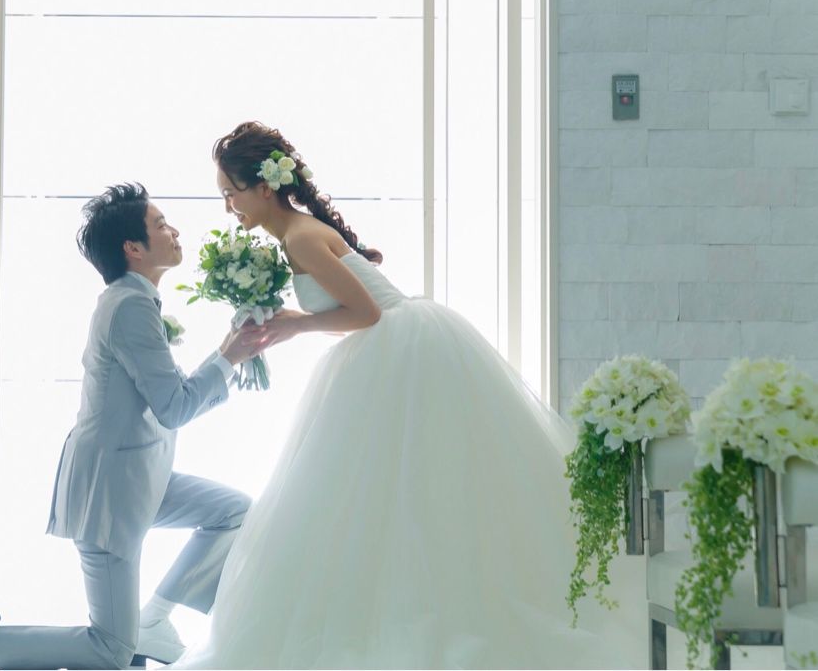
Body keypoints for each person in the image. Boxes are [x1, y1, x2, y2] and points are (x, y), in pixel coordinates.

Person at [172, 122, 643, 669]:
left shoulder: (299, 237)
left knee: (403, 492)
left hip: (402, 351)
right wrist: (290, 321)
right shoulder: (294, 235)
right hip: (396, 348)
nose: (228, 206)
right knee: (403, 494)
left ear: (263, 187)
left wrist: (296, 325)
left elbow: (367, 313)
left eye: (230, 192)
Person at [0, 183, 267, 669]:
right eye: (160, 225)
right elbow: (173, 407)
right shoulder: (129, 306)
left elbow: (170, 396)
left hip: (141, 480)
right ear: (133, 248)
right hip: (111, 495)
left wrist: (229, 349)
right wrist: (230, 357)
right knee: (112, 650)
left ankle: (153, 619)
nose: (174, 231)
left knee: (234, 512)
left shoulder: (132, 300)